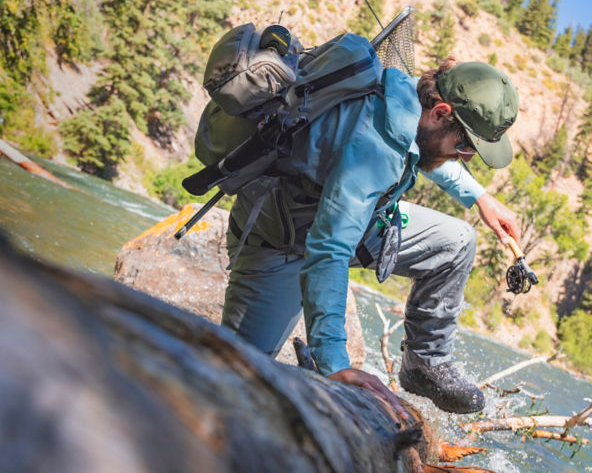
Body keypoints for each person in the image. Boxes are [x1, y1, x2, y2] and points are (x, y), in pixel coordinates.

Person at [221, 57, 520, 416]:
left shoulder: (406, 97)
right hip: (282, 244)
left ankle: (424, 365)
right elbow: (328, 250)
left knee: (455, 241)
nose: (464, 157)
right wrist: (335, 364)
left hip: (354, 224)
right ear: (440, 113)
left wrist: (481, 198)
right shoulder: (374, 147)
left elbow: (423, 146)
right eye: (466, 145)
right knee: (236, 382)